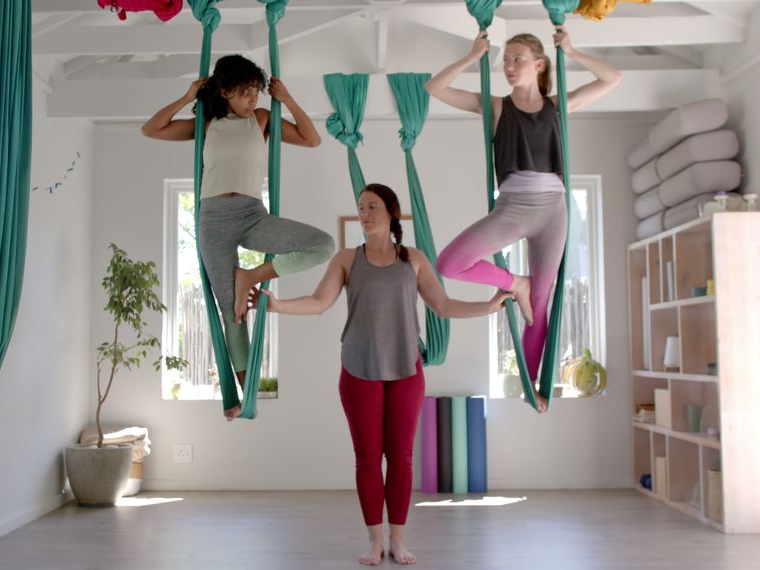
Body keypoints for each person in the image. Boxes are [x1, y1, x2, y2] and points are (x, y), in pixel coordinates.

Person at [250, 184, 511, 566]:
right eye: (360, 207)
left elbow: (442, 305)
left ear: (392, 212)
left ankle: (398, 541)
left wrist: (488, 308)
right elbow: (320, 302)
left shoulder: (415, 260)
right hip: (359, 370)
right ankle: (375, 541)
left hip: (406, 370)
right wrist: (276, 306)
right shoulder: (346, 259)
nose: (364, 213)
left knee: (402, 458)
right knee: (368, 459)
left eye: (372, 206)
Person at [424, 27, 621, 412]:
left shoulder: (558, 105)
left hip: (553, 210)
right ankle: (517, 283)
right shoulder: (497, 107)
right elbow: (435, 88)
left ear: (539, 64)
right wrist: (470, 57)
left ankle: (532, 385)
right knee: (449, 263)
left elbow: (613, 78)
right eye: (505, 60)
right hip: (512, 207)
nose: (509, 66)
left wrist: (573, 50)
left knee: (540, 306)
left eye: (517, 59)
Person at [142, 54, 335, 420]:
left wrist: (288, 99)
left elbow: (312, 140)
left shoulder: (261, 120)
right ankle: (245, 396)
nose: (253, 101)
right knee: (233, 313)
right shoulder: (206, 123)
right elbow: (150, 129)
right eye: (246, 93)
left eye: (257, 93)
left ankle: (251, 276)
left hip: (251, 216)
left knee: (323, 244)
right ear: (226, 91)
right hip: (214, 221)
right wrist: (187, 98)